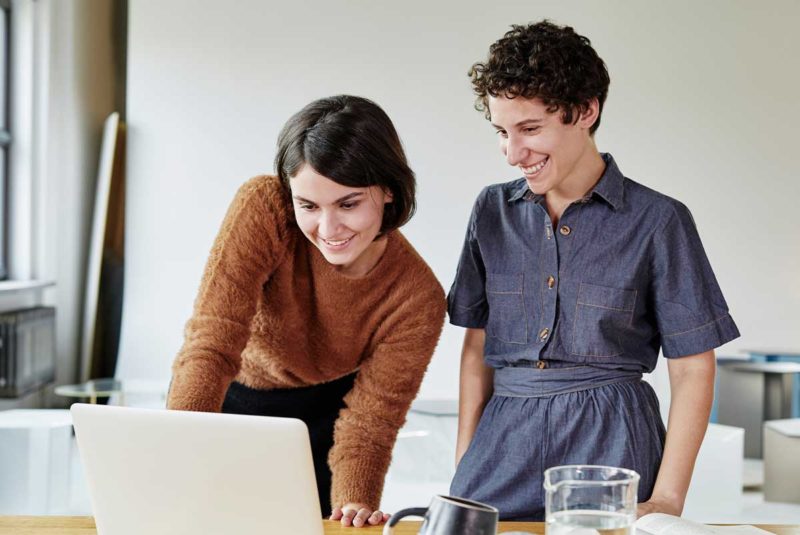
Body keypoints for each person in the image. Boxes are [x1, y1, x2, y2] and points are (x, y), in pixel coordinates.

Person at [447, 21, 740, 521]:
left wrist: (668, 498)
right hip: (502, 442)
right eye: (502, 131)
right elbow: (477, 347)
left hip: (613, 441)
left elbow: (693, 367)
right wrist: (465, 466)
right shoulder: (491, 211)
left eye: (530, 129)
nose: (513, 154)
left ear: (585, 111)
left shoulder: (658, 220)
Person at [167, 95, 446, 528]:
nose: (328, 230)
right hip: (222, 398)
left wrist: (355, 502)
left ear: (388, 190)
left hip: (320, 425)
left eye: (348, 204)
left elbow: (371, 421)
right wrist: (178, 442)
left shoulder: (417, 297)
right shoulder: (264, 205)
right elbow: (213, 338)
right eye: (309, 206)